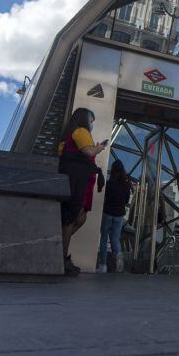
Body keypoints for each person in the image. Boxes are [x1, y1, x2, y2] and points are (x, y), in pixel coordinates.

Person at [58, 107, 106, 275]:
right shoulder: (80, 131)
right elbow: (89, 151)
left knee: (79, 218)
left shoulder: (67, 136)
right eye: (91, 121)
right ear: (84, 119)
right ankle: (60, 258)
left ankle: (60, 252)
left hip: (76, 180)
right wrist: (99, 148)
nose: (92, 124)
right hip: (76, 182)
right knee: (71, 219)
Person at [97, 160, 131, 274]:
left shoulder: (109, 183)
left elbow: (104, 198)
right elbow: (126, 200)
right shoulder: (126, 185)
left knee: (103, 238)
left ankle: (103, 266)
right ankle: (119, 264)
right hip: (119, 215)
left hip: (107, 213)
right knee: (115, 239)